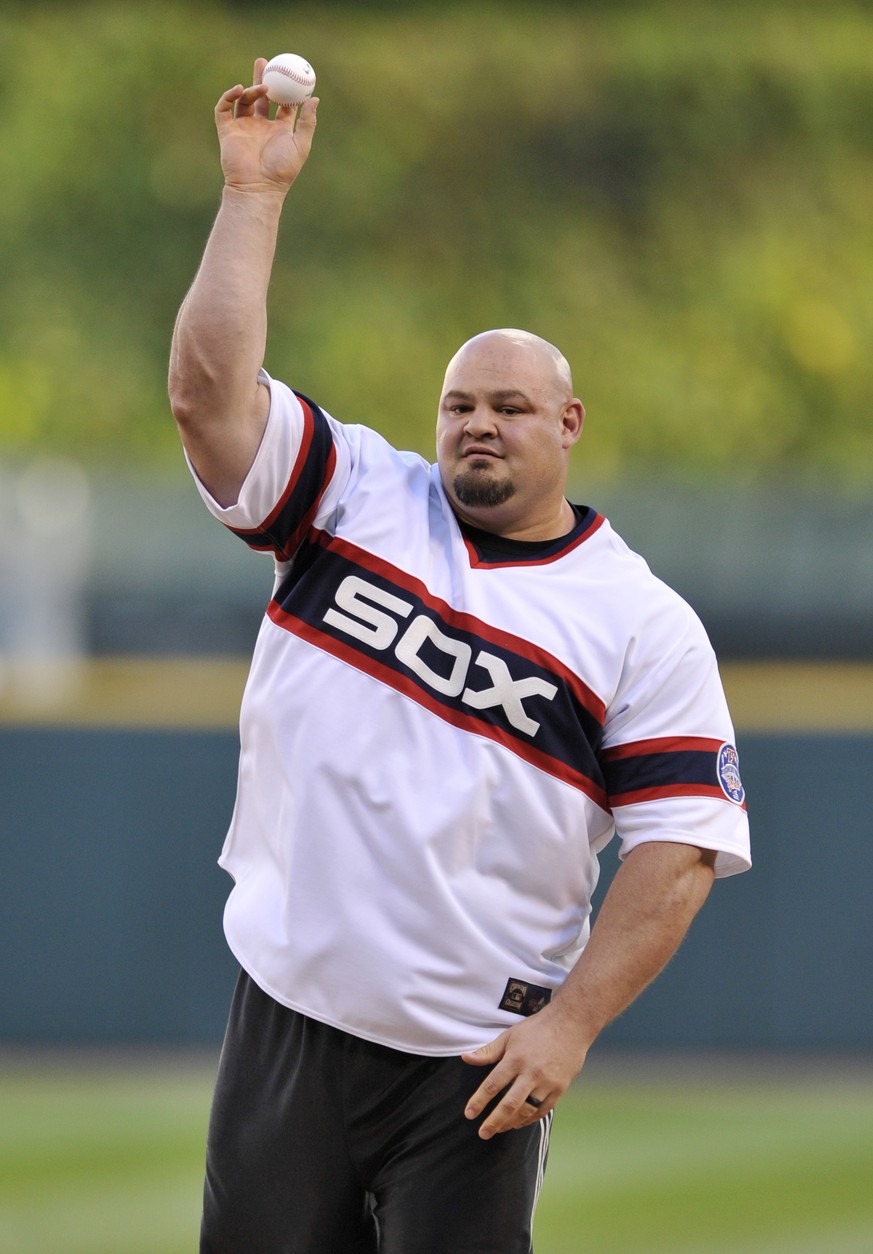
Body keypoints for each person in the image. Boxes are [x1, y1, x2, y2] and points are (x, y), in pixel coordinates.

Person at [169, 58, 751, 1254]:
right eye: (459, 404)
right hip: (291, 1017)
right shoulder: (355, 496)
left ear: (569, 425)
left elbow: (679, 854)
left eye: (512, 405)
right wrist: (253, 197)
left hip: (472, 1066)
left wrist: (573, 1026)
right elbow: (207, 397)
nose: (478, 422)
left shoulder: (640, 620)